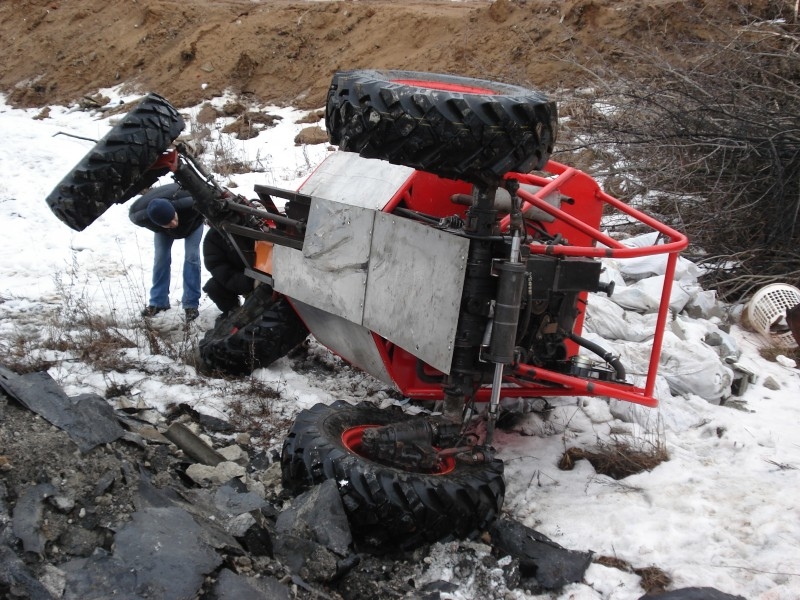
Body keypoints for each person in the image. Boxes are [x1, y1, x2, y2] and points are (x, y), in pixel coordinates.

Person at [129, 183, 204, 322]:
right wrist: (165, 228)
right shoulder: (139, 215)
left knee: (191, 257)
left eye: (174, 218)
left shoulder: (189, 200)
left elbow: (208, 199)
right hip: (163, 231)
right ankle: (158, 302)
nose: (174, 223)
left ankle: (191, 304)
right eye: (169, 223)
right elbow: (136, 215)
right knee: (160, 258)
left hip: (193, 224)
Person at [202, 226, 258, 320]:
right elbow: (219, 269)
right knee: (213, 286)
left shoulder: (254, 225)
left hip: (262, 276)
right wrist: (248, 282)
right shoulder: (213, 237)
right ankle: (233, 310)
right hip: (238, 278)